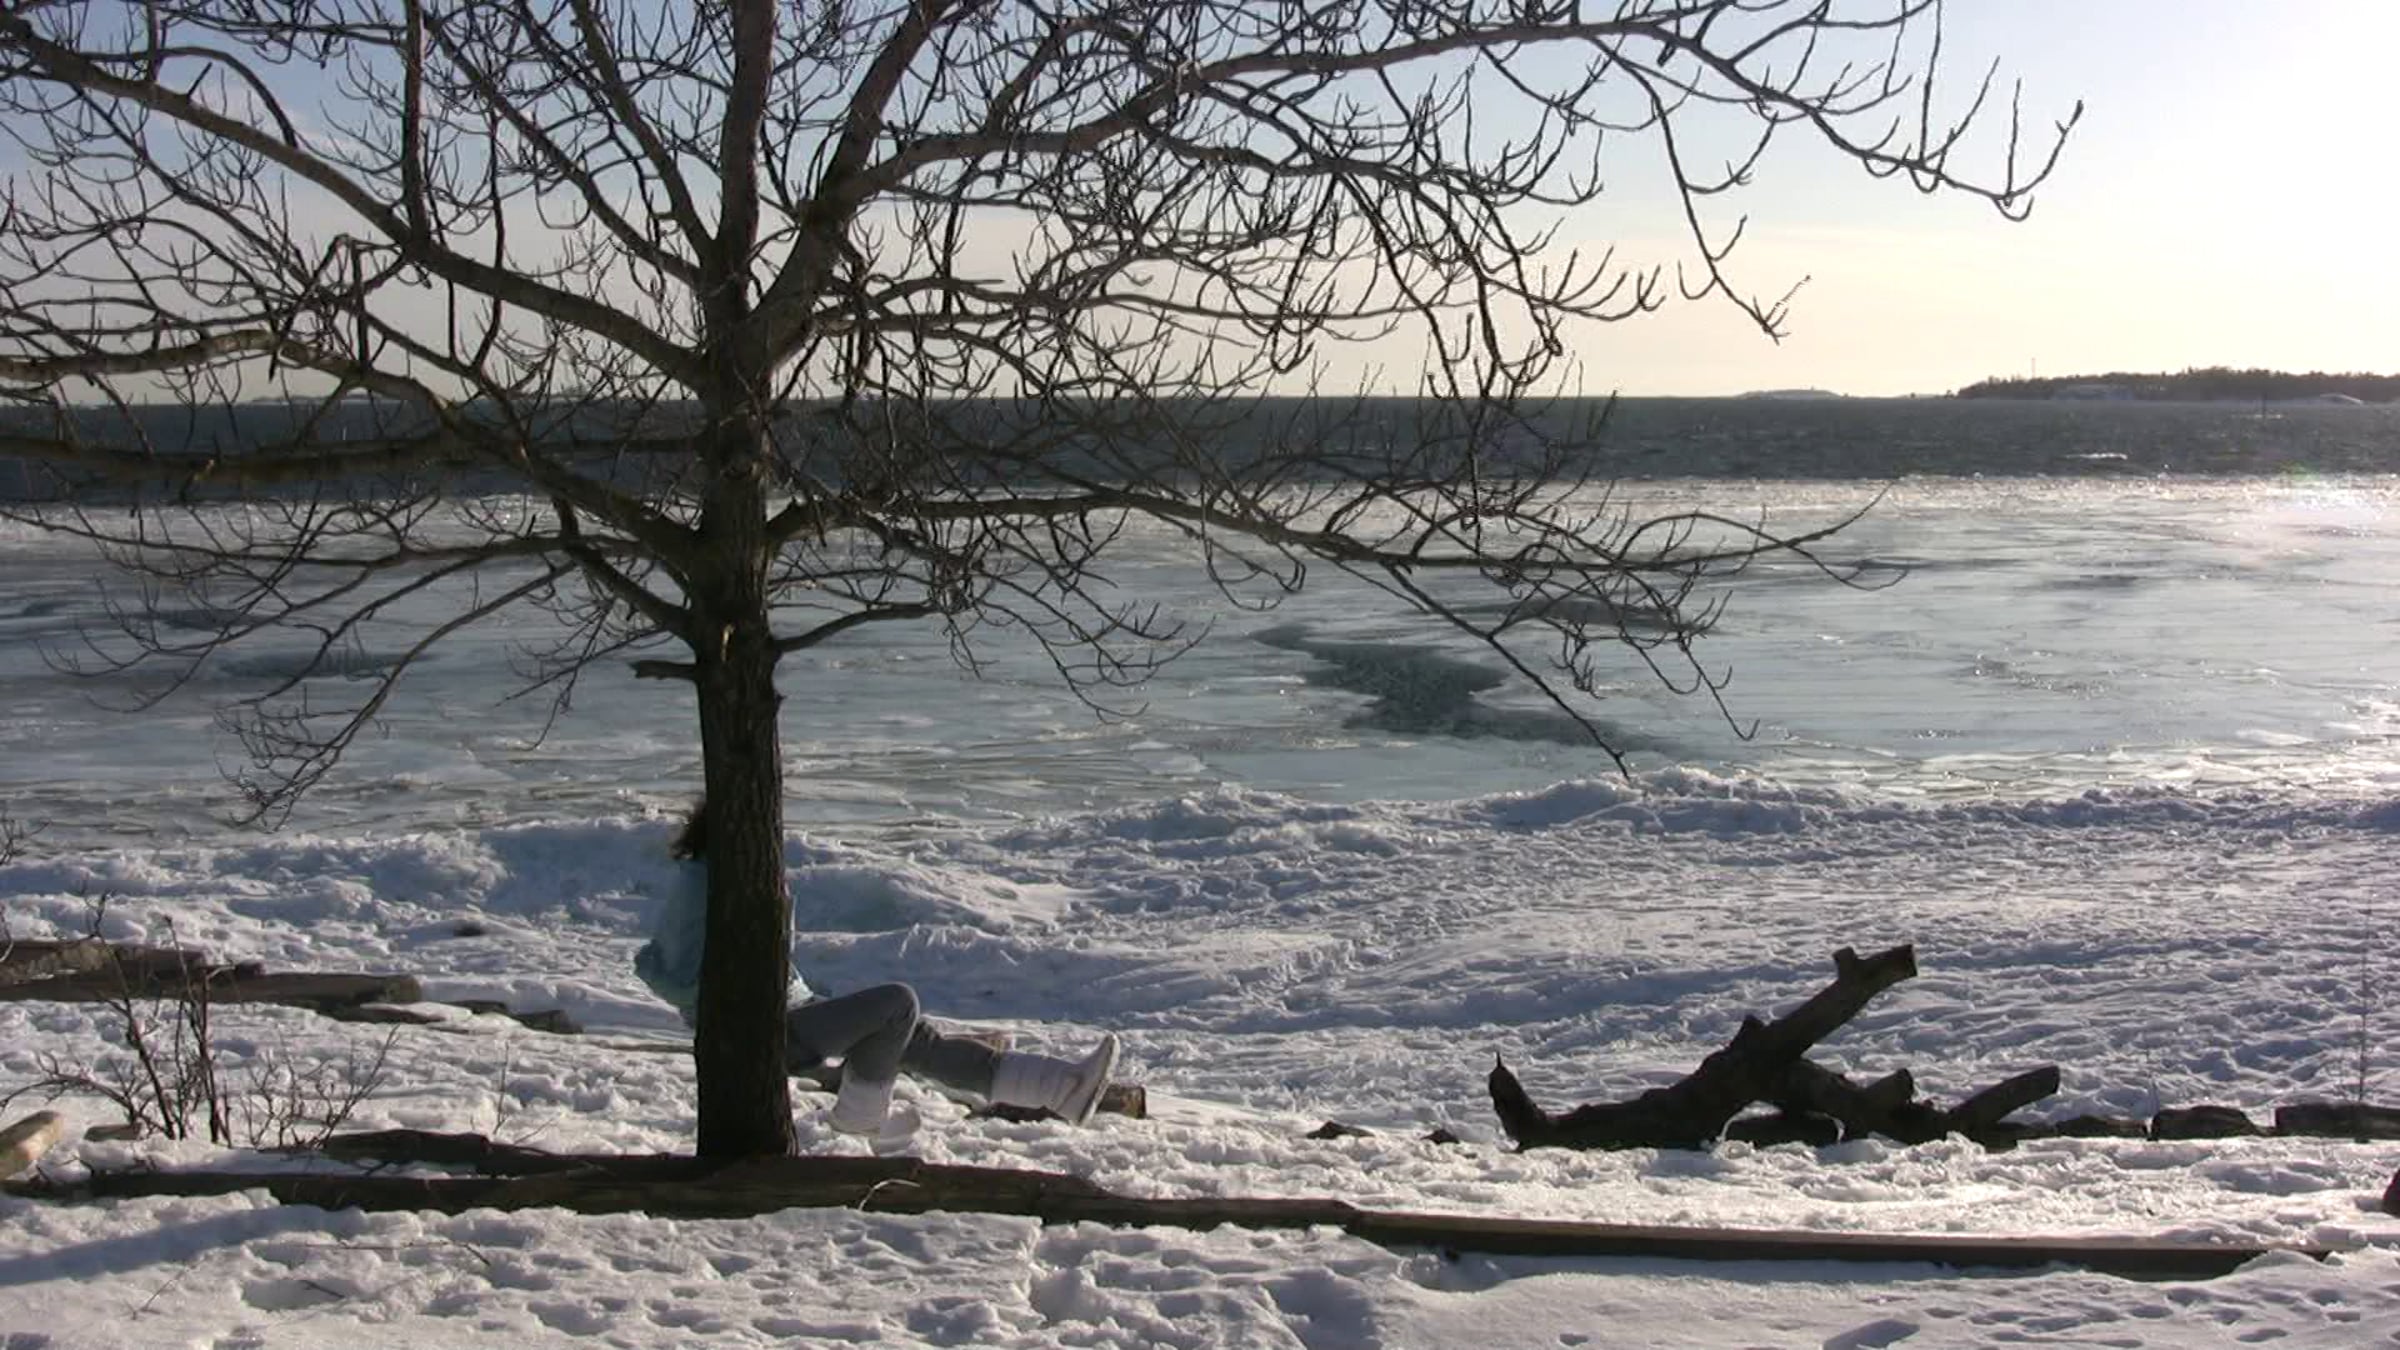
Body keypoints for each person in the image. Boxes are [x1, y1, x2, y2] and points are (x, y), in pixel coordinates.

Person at [635, 799, 1120, 1138]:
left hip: (782, 1016)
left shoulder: (707, 878)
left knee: (914, 1036)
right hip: (765, 1031)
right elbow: (685, 978)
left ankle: (1061, 1089)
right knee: (897, 1004)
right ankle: (859, 1117)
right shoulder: (712, 888)